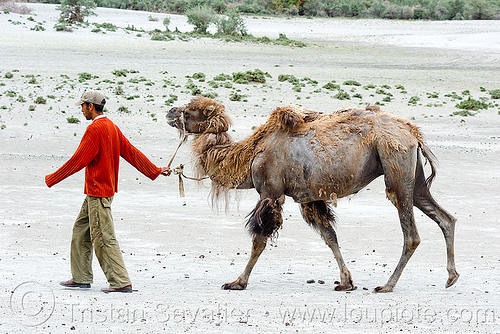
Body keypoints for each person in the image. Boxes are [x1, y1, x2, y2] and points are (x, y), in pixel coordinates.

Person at [45, 90, 170, 293]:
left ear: (90, 107)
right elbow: (132, 152)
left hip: (98, 193)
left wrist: (52, 179)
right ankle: (81, 277)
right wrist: (154, 170)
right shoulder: (111, 126)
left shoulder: (95, 129)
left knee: (103, 237)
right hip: (98, 193)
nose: (82, 110)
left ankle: (120, 282)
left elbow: (78, 160)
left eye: (83, 106)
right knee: (80, 231)